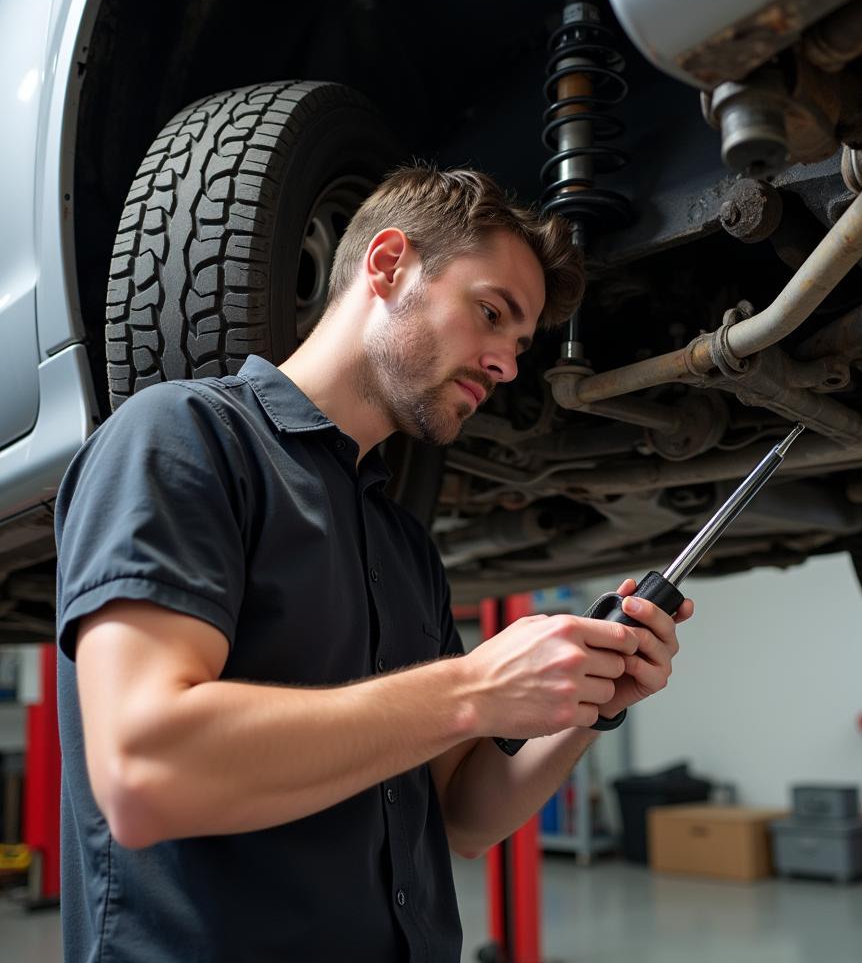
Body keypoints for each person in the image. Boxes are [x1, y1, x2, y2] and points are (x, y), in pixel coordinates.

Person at [55, 166, 693, 962]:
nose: (506, 365)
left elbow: (463, 816)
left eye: (520, 344)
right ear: (388, 264)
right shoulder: (185, 438)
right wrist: (474, 688)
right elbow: (145, 775)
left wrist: (587, 705)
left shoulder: (402, 545)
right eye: (491, 313)